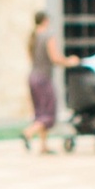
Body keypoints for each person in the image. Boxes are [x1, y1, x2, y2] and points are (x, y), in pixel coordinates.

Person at [22, 10, 63, 154]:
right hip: (44, 78)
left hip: (32, 77)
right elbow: (55, 58)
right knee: (48, 113)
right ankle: (28, 133)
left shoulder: (33, 37)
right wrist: (70, 61)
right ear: (46, 20)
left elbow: (30, 58)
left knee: (40, 112)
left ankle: (43, 146)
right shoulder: (48, 36)